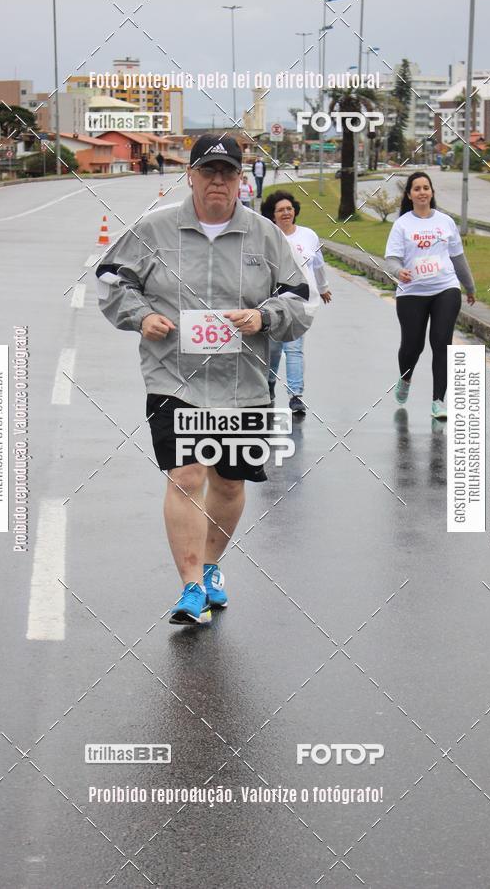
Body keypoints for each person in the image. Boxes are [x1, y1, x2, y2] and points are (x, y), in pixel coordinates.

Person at [96, 134, 310, 625]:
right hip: (174, 378)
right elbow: (111, 279)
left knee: (230, 484)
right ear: (190, 175)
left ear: (241, 180)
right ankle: (191, 586)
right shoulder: (154, 228)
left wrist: (265, 317)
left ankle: (212, 567)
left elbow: (302, 301)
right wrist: (140, 315)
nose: (218, 181)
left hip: (244, 384)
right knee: (187, 475)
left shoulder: (264, 236)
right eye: (209, 171)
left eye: (228, 173)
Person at [384, 171, 476, 420]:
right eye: (417, 188)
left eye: (426, 187)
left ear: (432, 192)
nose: (422, 192)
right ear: (409, 194)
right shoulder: (402, 224)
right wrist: (398, 271)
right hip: (411, 291)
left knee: (441, 343)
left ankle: (438, 401)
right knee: (413, 346)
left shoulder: (445, 222)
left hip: (445, 288)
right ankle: (405, 378)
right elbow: (391, 258)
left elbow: (457, 257)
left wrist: (469, 286)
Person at [261, 190, 332, 415]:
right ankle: (269, 386)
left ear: (295, 211)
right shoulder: (267, 236)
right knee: (272, 350)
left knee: (294, 349)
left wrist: (323, 288)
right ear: (272, 215)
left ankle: (295, 396)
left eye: (289, 209)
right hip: (274, 302)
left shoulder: (308, 235)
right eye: (280, 210)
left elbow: (318, 265)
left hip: (300, 303)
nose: (285, 213)